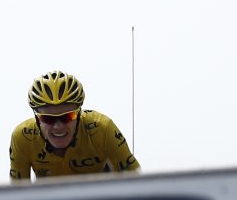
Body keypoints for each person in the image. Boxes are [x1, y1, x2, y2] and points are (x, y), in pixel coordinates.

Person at [9, 70, 140, 181]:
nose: (58, 126)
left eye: (67, 116)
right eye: (47, 118)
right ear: (37, 118)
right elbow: (17, 197)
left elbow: (136, 182)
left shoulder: (102, 128)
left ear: (79, 113)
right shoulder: (23, 138)